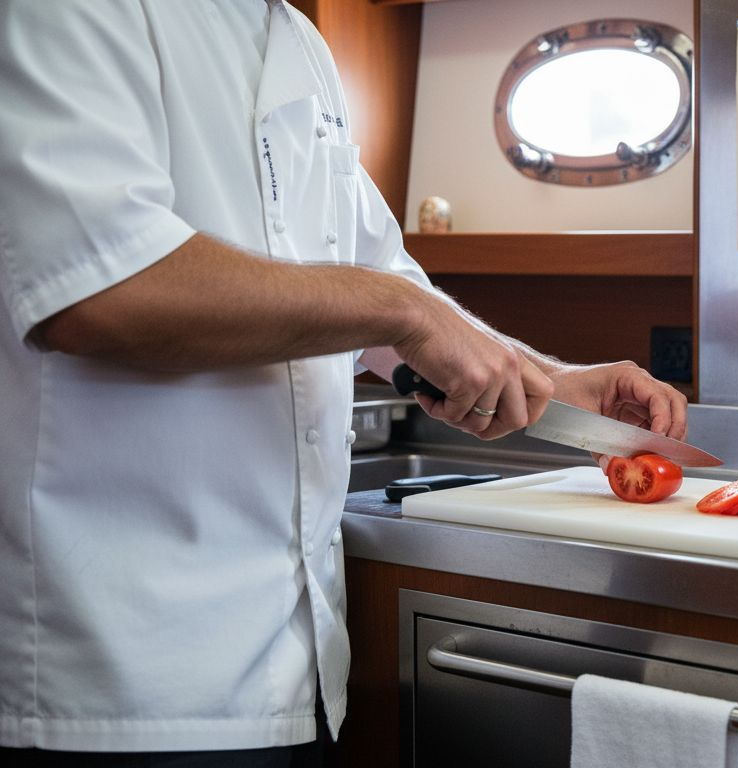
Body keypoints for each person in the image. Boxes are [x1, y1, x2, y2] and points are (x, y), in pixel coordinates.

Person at [0, 1, 687, 764]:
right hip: (115, 672)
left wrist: (554, 381)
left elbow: (377, 277)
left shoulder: (298, 40)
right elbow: (99, 286)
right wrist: (401, 310)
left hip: (297, 660)